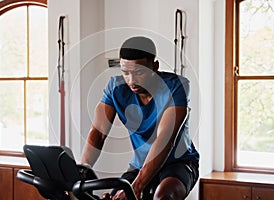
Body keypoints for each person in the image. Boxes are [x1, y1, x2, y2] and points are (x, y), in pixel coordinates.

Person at [81, 36, 199, 200]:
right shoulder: (115, 87)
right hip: (140, 165)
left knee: (164, 196)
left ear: (155, 67)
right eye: (125, 73)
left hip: (178, 163)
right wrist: (83, 170)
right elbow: (99, 132)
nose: (131, 80)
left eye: (139, 72)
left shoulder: (176, 86)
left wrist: (136, 187)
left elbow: (165, 140)